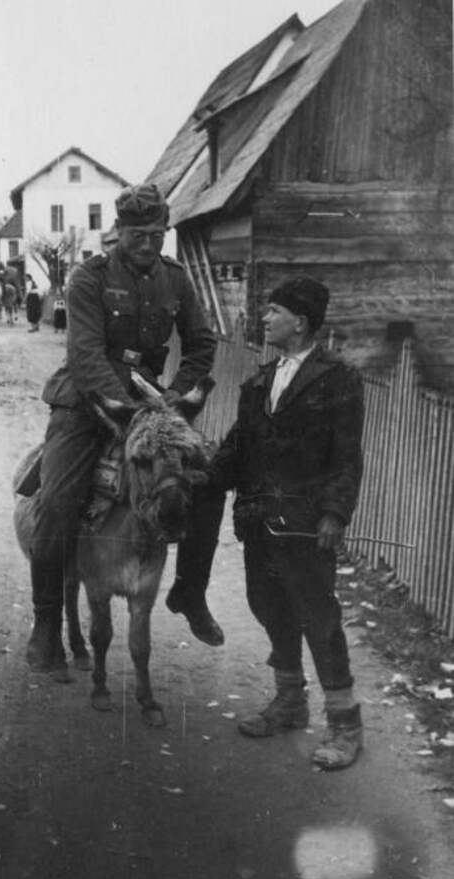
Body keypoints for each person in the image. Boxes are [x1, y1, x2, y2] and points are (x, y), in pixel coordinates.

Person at [24, 183, 225, 670]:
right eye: (138, 234)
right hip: (86, 401)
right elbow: (86, 355)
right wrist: (126, 404)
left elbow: (201, 343)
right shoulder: (88, 279)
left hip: (150, 403)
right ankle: (47, 621)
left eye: (157, 235)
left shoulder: (176, 280)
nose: (148, 245)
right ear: (119, 232)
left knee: (208, 481)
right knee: (56, 502)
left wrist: (173, 397)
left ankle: (190, 592)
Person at [208, 276, 365, 769]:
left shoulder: (339, 379)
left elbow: (346, 458)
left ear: (300, 322)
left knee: (318, 618)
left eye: (274, 311)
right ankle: (290, 701)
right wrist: (201, 473)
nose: (265, 318)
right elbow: (238, 446)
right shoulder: (258, 382)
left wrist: (334, 514)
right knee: (269, 606)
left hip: (304, 525)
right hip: (258, 521)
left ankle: (344, 724)